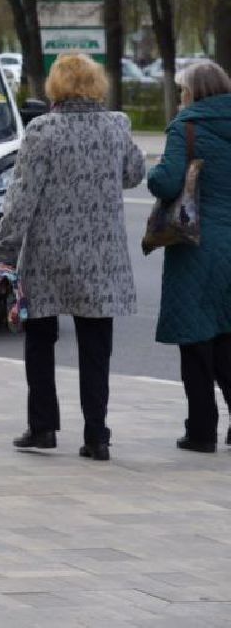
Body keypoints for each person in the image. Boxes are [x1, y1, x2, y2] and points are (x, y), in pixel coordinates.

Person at [0, 54, 144, 461]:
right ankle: (97, 435)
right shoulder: (116, 126)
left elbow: (21, 197)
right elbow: (133, 174)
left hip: (49, 254)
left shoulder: (43, 130)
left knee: (40, 339)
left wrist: (4, 252)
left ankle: (43, 427)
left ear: (56, 87)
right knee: (96, 346)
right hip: (102, 257)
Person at [147, 60, 231, 453]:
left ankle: (201, 430)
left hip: (198, 247)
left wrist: (154, 172)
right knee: (227, 334)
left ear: (193, 93)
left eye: (183, 90)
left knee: (196, 339)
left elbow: (166, 183)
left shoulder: (187, 127)